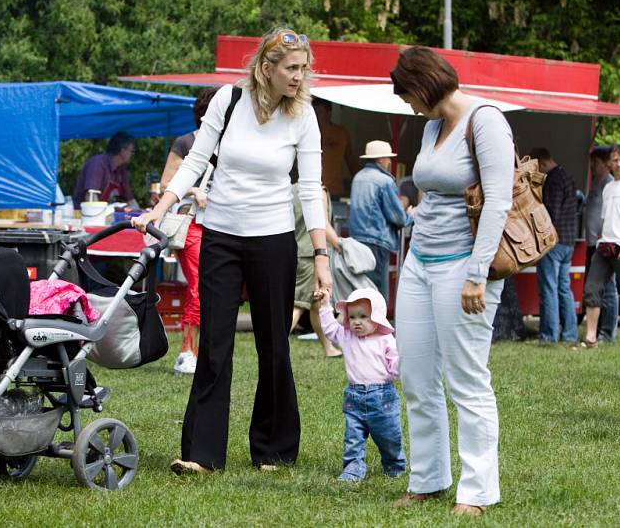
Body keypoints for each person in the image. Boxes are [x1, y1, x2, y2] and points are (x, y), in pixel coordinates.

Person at [132, 27, 332, 474]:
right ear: (267, 68)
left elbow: (310, 187)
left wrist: (321, 258)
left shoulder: (304, 115)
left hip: (274, 238)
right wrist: (158, 212)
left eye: (304, 68)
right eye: (292, 69)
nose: (300, 77)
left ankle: (275, 449)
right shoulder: (229, 100)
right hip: (220, 234)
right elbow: (196, 162)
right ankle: (202, 454)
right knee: (215, 344)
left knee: (273, 345)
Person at [390, 46, 514, 516]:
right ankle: (428, 479)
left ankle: (478, 491)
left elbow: (499, 201)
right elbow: (433, 191)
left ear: (422, 85)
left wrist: (477, 275)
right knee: (417, 377)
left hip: (464, 266)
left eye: (406, 94)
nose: (407, 104)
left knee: (466, 380)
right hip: (420, 261)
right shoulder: (430, 126)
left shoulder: (485, 120)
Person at [158, 87, 219, 375]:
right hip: (192, 223)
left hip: (220, 224)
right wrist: (194, 190)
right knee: (198, 286)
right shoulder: (185, 142)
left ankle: (202, 350)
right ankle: (187, 351)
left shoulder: (228, 144)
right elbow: (165, 183)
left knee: (211, 287)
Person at [318, 287, 406, 482]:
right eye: (353, 317)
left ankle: (394, 465)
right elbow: (330, 329)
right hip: (354, 397)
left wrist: (402, 362)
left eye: (364, 316)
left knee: (389, 436)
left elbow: (395, 365)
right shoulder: (346, 336)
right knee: (353, 437)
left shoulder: (386, 339)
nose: (357, 321)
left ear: (377, 317)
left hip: (383, 397)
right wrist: (324, 305)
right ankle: (353, 468)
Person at [581, 145, 620, 347]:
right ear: (610, 162)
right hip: (604, 247)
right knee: (592, 290)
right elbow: (605, 219)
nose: (618, 163)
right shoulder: (608, 188)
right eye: (614, 160)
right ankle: (591, 338)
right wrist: (600, 238)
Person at [348, 140, 412, 299]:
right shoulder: (385, 181)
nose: (390, 161)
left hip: (356, 240)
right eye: (388, 158)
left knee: (360, 290)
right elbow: (398, 218)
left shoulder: (358, 177)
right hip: (377, 241)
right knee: (377, 294)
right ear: (381, 159)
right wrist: (411, 215)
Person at [528, 147, 578, 343]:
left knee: (548, 287)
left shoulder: (554, 180)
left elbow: (550, 213)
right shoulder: (567, 176)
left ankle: (549, 336)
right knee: (564, 288)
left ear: (541, 162)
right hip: (568, 241)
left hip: (553, 243)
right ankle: (570, 334)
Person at [290, 183, 343, 358]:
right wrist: (339, 244)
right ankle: (274, 348)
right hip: (311, 253)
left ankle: (329, 348)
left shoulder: (291, 189)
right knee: (298, 303)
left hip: (297, 249)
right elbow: (323, 223)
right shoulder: (317, 190)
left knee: (316, 304)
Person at [583, 148, 618, 342]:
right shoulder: (596, 184)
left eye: (595, 163)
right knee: (594, 288)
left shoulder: (610, 185)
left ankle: (608, 331)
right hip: (592, 243)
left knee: (609, 289)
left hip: (605, 244)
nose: (592, 167)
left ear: (606, 164)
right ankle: (595, 330)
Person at [73, 131, 139, 210]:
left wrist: (141, 214)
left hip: (105, 214)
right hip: (83, 215)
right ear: (122, 150)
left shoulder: (121, 170)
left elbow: (131, 200)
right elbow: (91, 197)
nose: (132, 154)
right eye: (132, 151)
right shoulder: (98, 164)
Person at [312, 97, 360, 198]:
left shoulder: (341, 133)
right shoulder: (307, 134)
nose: (315, 116)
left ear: (329, 113)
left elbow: (351, 160)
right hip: (312, 190)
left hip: (334, 191)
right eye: (313, 113)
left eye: (319, 112)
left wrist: (359, 181)